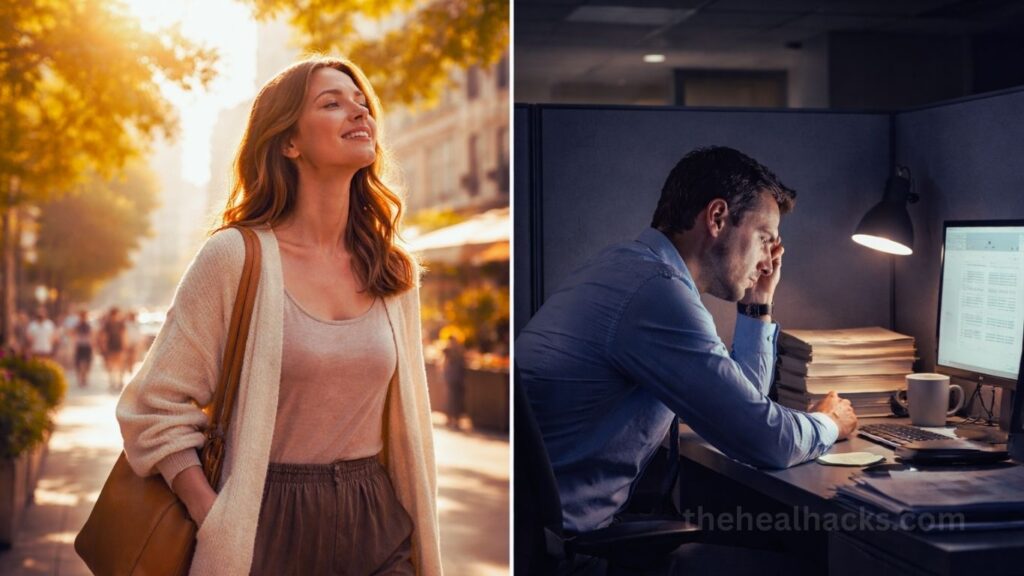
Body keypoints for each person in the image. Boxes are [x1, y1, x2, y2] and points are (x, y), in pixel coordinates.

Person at [115, 56, 441, 576]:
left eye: (361, 102)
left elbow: (410, 426)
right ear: (289, 142)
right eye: (331, 103)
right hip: (264, 521)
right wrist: (213, 514)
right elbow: (154, 406)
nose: (358, 111)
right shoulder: (234, 257)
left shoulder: (392, 268)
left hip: (375, 518)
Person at [516, 146, 858, 571]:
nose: (769, 259)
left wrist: (757, 303)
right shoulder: (655, 293)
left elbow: (735, 407)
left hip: (555, 543)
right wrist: (829, 423)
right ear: (716, 219)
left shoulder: (625, 268)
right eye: (766, 238)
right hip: (573, 557)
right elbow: (764, 440)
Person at [440, 328, 467, 431]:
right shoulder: (455, 349)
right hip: (454, 378)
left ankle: (452, 419)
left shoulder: (450, 349)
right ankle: (452, 419)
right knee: (453, 399)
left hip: (453, 377)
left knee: (452, 399)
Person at [99, 307, 127, 391]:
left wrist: (124, 345)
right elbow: (104, 337)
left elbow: (123, 335)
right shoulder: (107, 325)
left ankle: (119, 381)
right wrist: (104, 347)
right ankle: (113, 381)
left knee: (120, 365)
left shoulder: (120, 324)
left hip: (118, 346)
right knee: (112, 365)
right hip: (111, 347)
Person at [72, 309, 94, 388]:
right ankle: (81, 378)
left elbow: (92, 335)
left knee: (87, 364)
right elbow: (73, 335)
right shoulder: (77, 325)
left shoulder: (88, 325)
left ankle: (84, 378)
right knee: (79, 364)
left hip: (86, 346)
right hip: (80, 346)